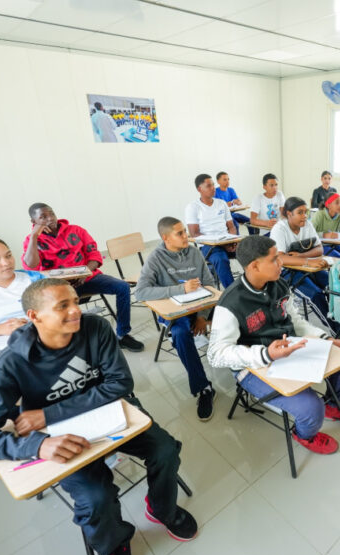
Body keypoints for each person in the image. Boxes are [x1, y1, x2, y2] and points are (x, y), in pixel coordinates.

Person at [0, 279, 197, 555]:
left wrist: (48, 414)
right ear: (34, 317)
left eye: (75, 301)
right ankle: (114, 545)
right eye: (62, 306)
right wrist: (38, 445)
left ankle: (161, 508)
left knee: (166, 450)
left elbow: (120, 383)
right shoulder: (10, 364)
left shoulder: (96, 328)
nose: (76, 311)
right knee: (97, 498)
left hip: (109, 414)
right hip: (60, 437)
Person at [207, 236, 340, 455]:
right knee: (311, 408)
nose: (282, 263)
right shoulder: (231, 302)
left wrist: (325, 339)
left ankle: (333, 404)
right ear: (254, 266)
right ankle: (303, 434)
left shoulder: (279, 284)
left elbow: (296, 322)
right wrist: (264, 354)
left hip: (289, 349)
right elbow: (215, 355)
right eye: (274, 259)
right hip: (254, 366)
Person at [21, 203, 144, 352]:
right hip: (59, 287)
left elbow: (94, 255)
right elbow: (31, 266)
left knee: (122, 287)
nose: (50, 219)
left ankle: (122, 335)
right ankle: (73, 343)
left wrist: (86, 273)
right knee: (56, 307)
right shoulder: (31, 240)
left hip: (87, 278)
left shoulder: (76, 230)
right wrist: (34, 236)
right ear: (33, 222)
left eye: (51, 214)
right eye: (43, 217)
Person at [134, 217, 219, 421]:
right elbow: (141, 292)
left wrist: (201, 316)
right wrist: (180, 289)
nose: (185, 236)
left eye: (184, 232)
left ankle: (246, 370)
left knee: (233, 313)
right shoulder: (156, 258)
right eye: (180, 233)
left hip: (200, 305)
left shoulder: (194, 252)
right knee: (181, 333)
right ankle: (204, 388)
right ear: (165, 238)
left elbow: (209, 282)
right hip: (174, 310)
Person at [270, 196, 339, 332]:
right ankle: (339, 331)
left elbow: (320, 249)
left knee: (334, 287)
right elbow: (281, 258)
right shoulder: (279, 229)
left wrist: (302, 256)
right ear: (289, 214)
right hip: (287, 272)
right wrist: (308, 261)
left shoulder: (307, 224)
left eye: (305, 212)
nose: (305, 216)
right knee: (316, 295)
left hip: (307, 266)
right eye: (300, 212)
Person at [185, 173, 238, 287]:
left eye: (213, 185)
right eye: (209, 186)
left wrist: (232, 240)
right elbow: (194, 234)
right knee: (221, 259)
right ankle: (233, 293)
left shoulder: (222, 203)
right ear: (200, 189)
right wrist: (221, 244)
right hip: (208, 245)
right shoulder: (193, 207)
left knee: (251, 253)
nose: (213, 188)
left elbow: (231, 226)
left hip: (227, 241)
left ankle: (251, 288)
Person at [311, 193, 340, 257]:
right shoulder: (319, 215)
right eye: (337, 203)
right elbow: (309, 234)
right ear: (328, 205)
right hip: (320, 246)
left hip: (334, 244)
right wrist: (324, 235)